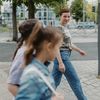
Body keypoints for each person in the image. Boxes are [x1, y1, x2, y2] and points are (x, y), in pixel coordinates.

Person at [15, 26, 64, 100]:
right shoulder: (32, 75)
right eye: (58, 47)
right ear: (49, 46)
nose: (59, 51)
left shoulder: (41, 68)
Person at [51, 8, 87, 100]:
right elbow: (55, 47)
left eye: (68, 16)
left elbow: (69, 44)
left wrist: (79, 50)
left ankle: (43, 97)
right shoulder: (58, 28)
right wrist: (61, 63)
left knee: (53, 82)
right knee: (75, 81)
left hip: (62, 56)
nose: (67, 18)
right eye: (64, 16)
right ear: (60, 16)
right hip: (62, 57)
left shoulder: (65, 28)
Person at [7, 19, 42, 96]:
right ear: (34, 35)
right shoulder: (23, 54)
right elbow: (11, 85)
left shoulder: (32, 50)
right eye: (41, 31)